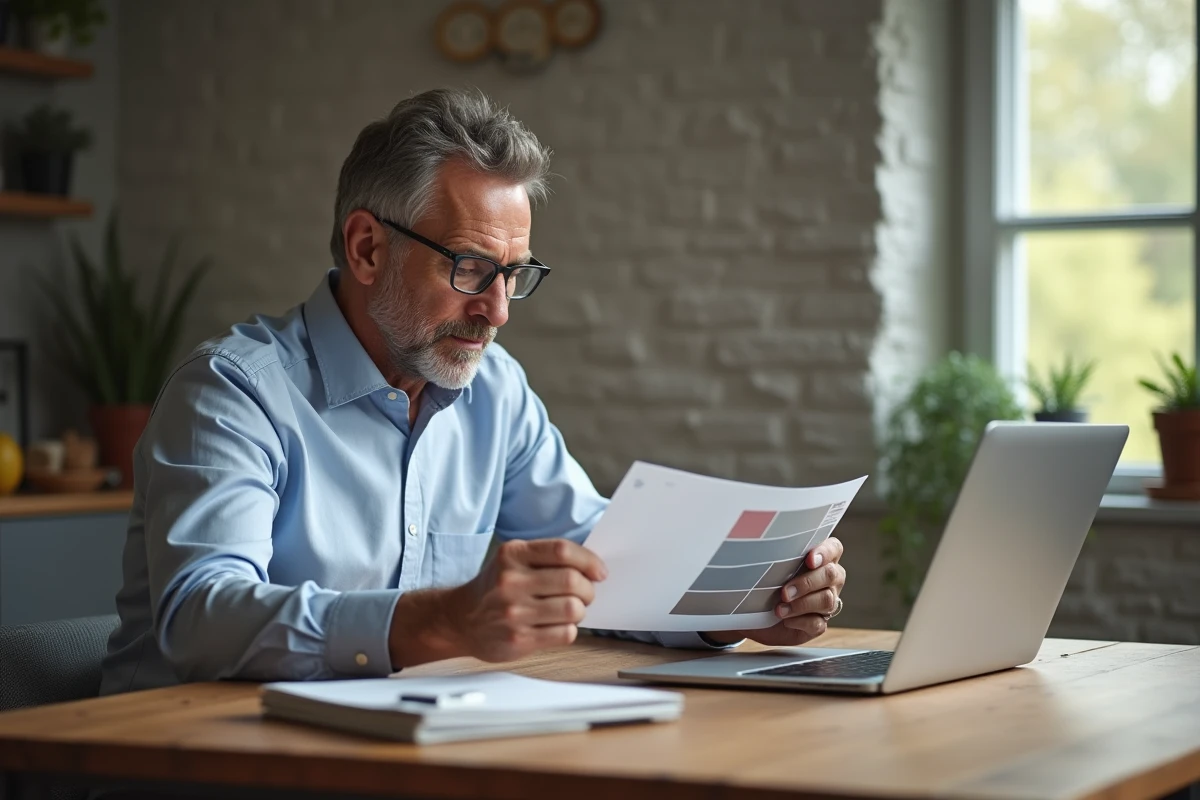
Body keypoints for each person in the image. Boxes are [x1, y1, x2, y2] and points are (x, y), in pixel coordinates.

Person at [99, 88, 847, 695]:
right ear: (367, 248)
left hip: (391, 758)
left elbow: (603, 564)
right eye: (468, 269)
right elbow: (201, 619)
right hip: (190, 763)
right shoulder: (232, 392)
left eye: (515, 275)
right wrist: (443, 621)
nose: (496, 312)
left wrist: (744, 611)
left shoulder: (495, 391)